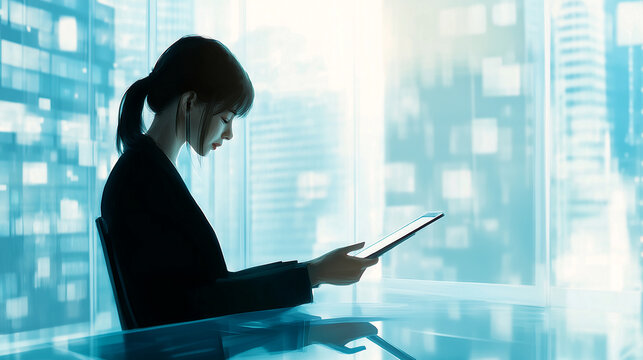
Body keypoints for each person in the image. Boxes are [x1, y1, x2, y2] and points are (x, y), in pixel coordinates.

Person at [100, 35, 378, 329]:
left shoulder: (147, 172)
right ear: (190, 102)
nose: (230, 133)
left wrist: (313, 271)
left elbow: (213, 286)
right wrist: (312, 275)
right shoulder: (143, 182)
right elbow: (203, 302)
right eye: (225, 118)